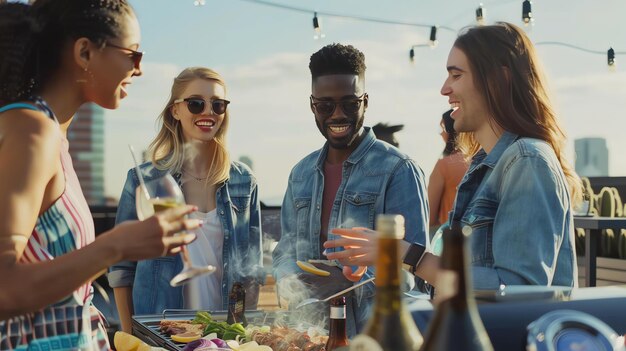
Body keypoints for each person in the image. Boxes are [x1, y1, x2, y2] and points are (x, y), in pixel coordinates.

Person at [0, 1, 200, 349]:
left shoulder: (49, 134)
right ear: (84, 52)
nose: (139, 69)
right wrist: (117, 245)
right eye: (133, 54)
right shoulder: (32, 131)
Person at [326, 22, 581, 290]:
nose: (444, 89)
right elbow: (459, 280)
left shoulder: (527, 160)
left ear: (498, 81)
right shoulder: (486, 164)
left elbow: (517, 290)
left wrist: (406, 254)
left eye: (456, 75)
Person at [272, 43, 429, 336]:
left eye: (350, 103)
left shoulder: (398, 170)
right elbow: (284, 253)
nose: (337, 115)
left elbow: (418, 275)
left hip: (373, 337)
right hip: (309, 334)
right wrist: (290, 279)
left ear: (365, 102)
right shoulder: (300, 175)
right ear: (312, 105)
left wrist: (348, 282)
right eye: (325, 106)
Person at [108, 67, 264, 333]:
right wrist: (129, 336)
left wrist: (240, 333)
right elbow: (122, 269)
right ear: (175, 110)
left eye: (218, 105)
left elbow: (251, 270)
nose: (208, 112)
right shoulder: (142, 181)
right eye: (196, 103)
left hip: (220, 336)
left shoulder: (243, 181)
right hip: (160, 333)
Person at [427, 109, 468, 234]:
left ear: (452, 129)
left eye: (443, 128)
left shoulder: (444, 165)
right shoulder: (484, 159)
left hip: (451, 238)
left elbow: (429, 217)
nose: (441, 134)